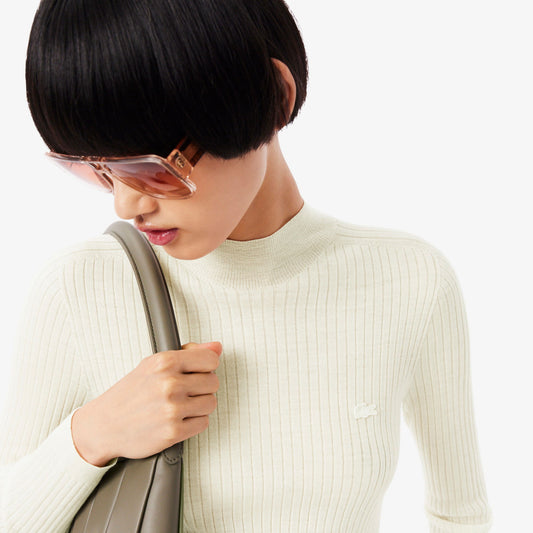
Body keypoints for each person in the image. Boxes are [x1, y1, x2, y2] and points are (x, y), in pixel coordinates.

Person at [0, 0, 493, 531]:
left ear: (274, 97)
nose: (126, 204)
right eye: (98, 170)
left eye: (152, 169)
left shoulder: (408, 280)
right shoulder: (79, 287)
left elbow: (460, 516)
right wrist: (91, 435)